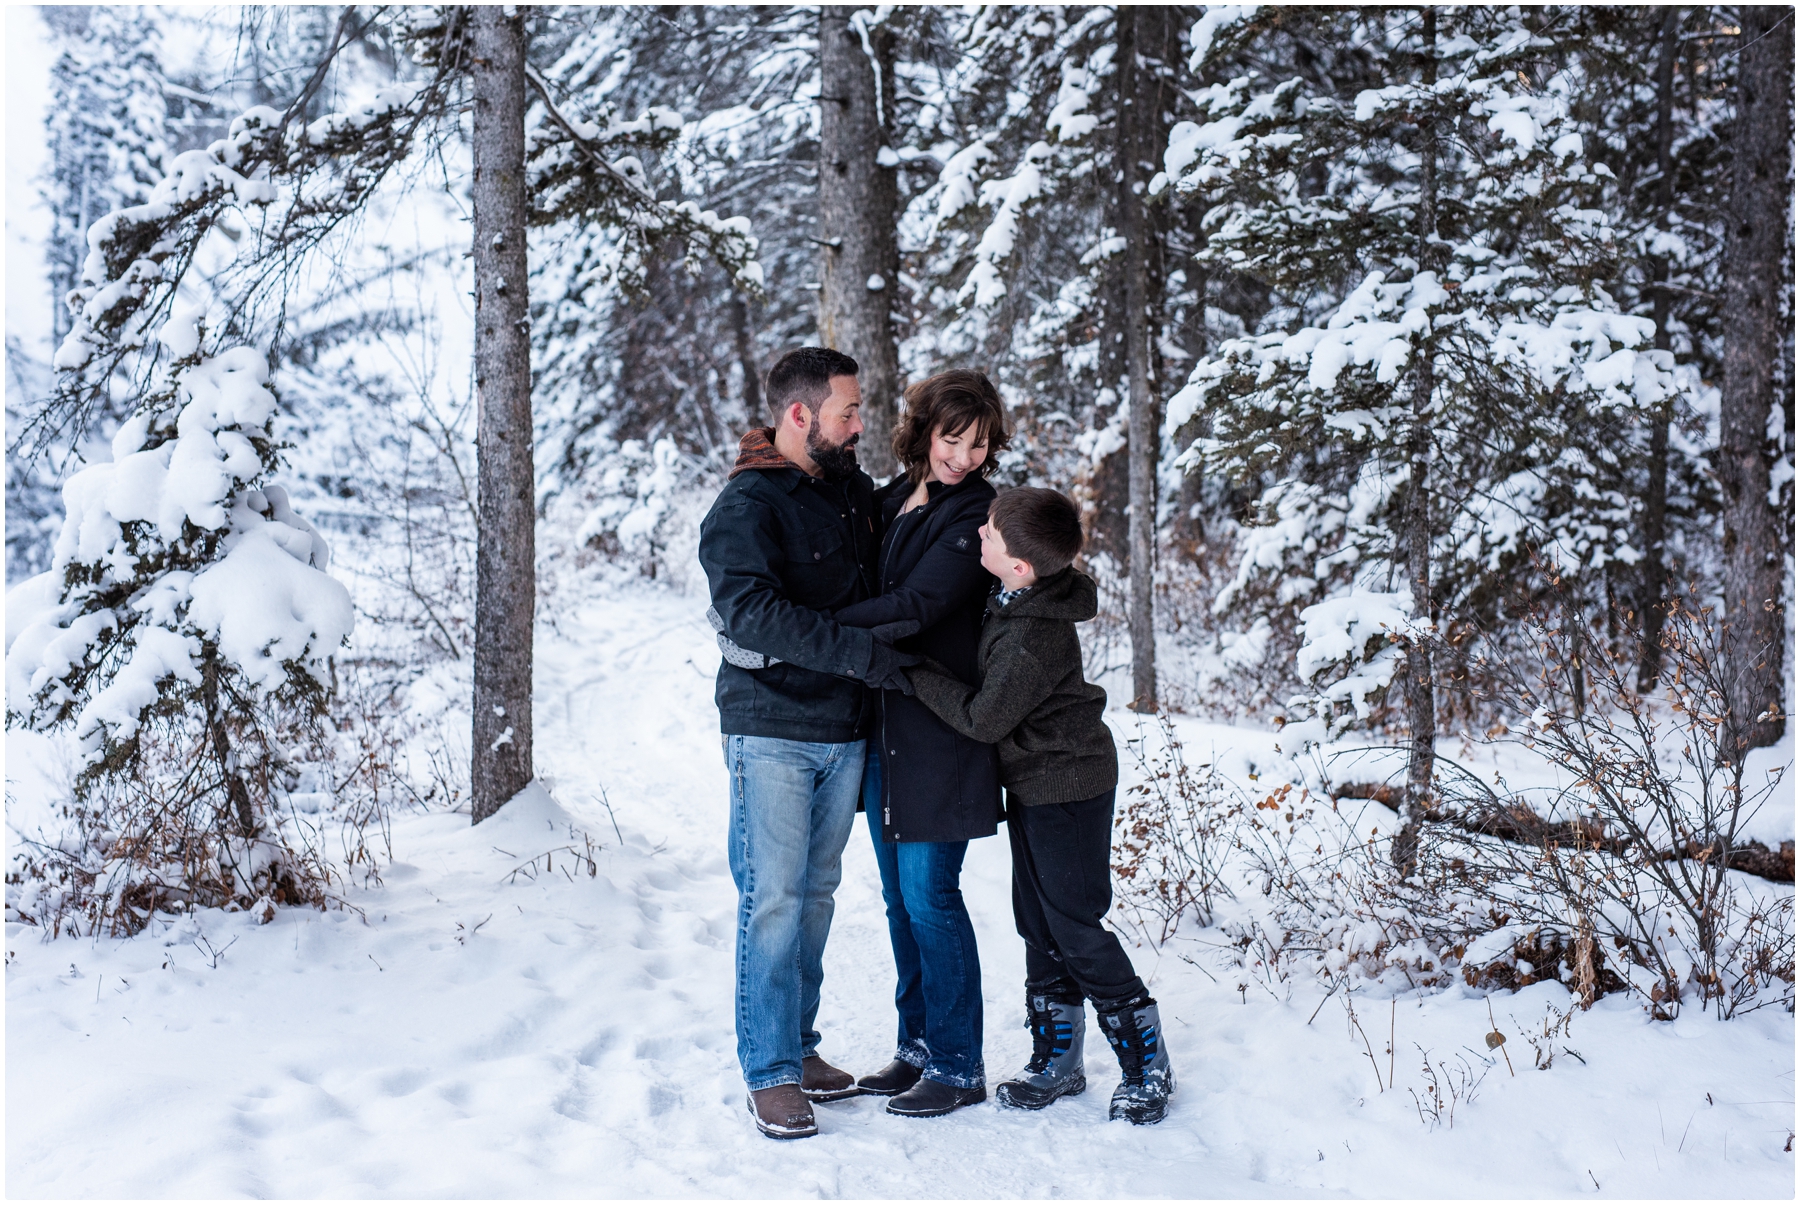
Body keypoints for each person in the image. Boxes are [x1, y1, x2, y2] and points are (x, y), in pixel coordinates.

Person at [697, 347, 919, 1141]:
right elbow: (752, 614)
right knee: (774, 900)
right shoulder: (746, 506)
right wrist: (861, 655)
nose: (862, 424)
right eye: (849, 412)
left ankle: (800, 1044)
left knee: (816, 899)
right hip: (772, 731)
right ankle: (770, 1071)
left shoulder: (853, 491)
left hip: (844, 730)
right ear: (801, 415)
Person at [904, 487, 1176, 1125]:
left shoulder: (1033, 636)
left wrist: (913, 674)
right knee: (1036, 920)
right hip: (1035, 781)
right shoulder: (1019, 594)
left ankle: (1146, 1063)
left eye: (990, 533)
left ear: (1020, 566)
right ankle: (1058, 1057)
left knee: (1074, 924)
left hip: (1070, 786)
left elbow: (982, 717)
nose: (980, 536)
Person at [830, 370, 1008, 1118]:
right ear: (923, 431)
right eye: (951, 438)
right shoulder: (893, 497)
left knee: (932, 897)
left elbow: (917, 604)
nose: (963, 456)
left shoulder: (973, 516)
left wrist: (820, 624)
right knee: (900, 900)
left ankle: (961, 1064)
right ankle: (918, 1047)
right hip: (887, 730)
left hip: (942, 731)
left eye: (979, 443)